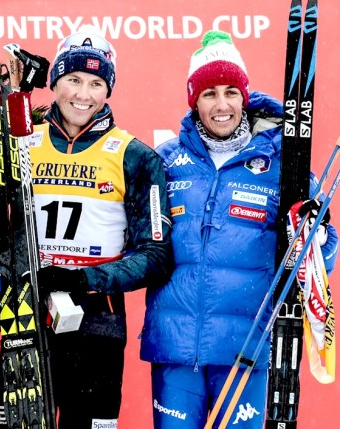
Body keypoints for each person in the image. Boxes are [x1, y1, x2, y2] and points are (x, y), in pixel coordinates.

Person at [140, 30, 338, 428]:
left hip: (247, 346)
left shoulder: (281, 162)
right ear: (194, 99)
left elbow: (325, 251)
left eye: (231, 91)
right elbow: (139, 238)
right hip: (176, 348)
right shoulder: (164, 161)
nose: (221, 104)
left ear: (244, 97)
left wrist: (315, 240)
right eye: (209, 93)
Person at [0, 25, 174, 429]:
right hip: (27, 319)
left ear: (108, 90)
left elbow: (156, 257)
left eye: (95, 83)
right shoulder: (21, 143)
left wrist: (81, 278)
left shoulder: (136, 157)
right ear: (55, 82)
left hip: (97, 327)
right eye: (73, 79)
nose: (82, 94)